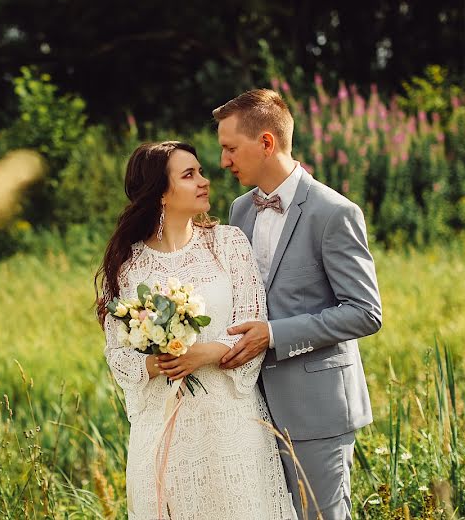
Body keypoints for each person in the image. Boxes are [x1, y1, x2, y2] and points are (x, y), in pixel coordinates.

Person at [97, 141, 296, 519]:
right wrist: (158, 363)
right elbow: (118, 355)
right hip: (163, 425)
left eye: (201, 172)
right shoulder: (128, 265)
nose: (204, 181)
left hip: (230, 424)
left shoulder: (228, 244)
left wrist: (206, 353)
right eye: (189, 175)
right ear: (160, 194)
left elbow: (251, 327)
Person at [214, 89, 383, 520]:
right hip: (251, 407)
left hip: (318, 408)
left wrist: (275, 334)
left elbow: (365, 311)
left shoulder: (334, 212)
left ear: (266, 143)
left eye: (230, 148)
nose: (224, 161)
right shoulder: (240, 211)